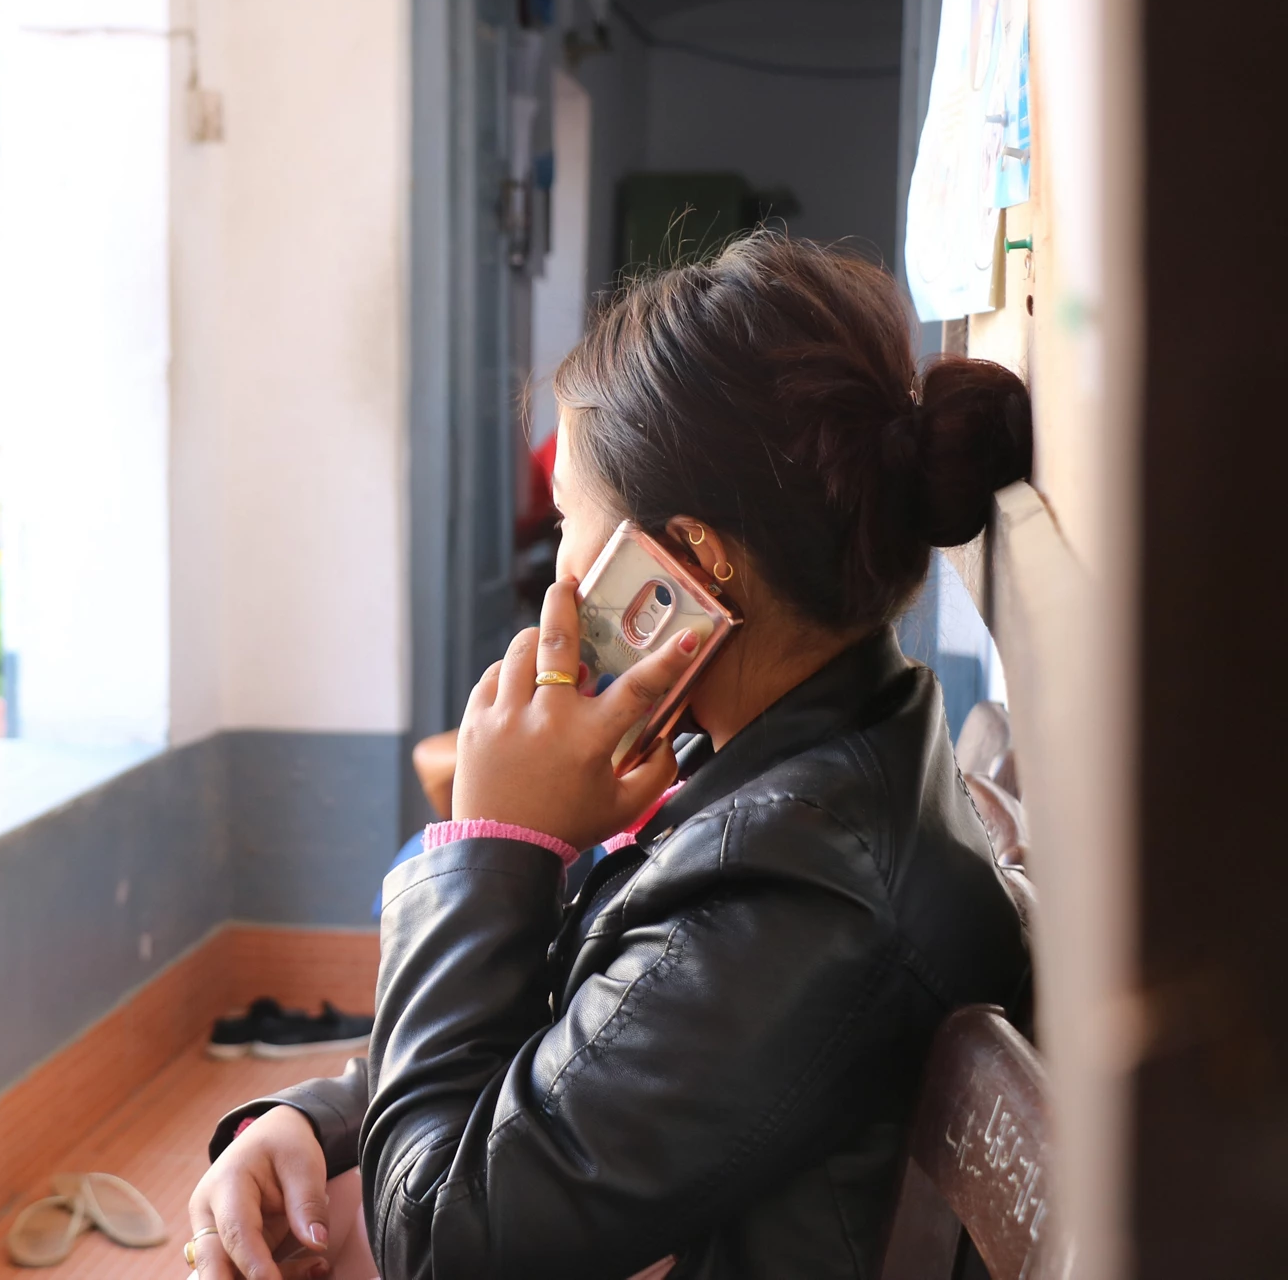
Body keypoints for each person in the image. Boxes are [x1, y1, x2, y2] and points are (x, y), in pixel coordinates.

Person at [185, 232, 1033, 1280]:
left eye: (571, 527)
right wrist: (316, 1119)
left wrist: (493, 840)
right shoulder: (815, 748)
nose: (559, 576)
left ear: (686, 565)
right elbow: (586, 1030)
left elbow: (443, 1241)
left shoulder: (793, 896)